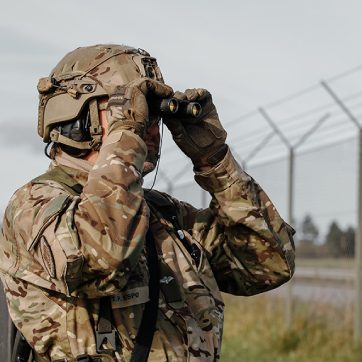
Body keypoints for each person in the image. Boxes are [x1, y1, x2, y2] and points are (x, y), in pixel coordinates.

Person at [0, 44, 295, 362]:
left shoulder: (162, 214)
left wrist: (215, 161)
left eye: (152, 114)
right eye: (131, 108)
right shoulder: (31, 207)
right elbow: (101, 256)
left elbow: (266, 264)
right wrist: (126, 133)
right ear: (80, 114)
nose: (149, 127)